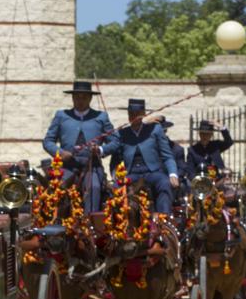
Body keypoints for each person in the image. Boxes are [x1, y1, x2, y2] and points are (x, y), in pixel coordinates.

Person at [42, 81, 116, 213]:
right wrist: (60, 153)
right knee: (55, 189)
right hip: (67, 166)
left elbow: (115, 142)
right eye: (77, 97)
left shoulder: (101, 117)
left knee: (94, 187)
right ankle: (55, 226)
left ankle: (90, 224)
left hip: (91, 166)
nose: (80, 100)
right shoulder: (61, 116)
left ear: (90, 98)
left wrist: (99, 150)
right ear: (72, 98)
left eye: (84, 97)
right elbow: (48, 141)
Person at [106, 98, 179, 214]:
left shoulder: (155, 129)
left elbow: (167, 156)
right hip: (131, 174)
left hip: (153, 173)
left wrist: (173, 173)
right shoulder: (122, 133)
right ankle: (117, 226)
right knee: (114, 188)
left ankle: (163, 219)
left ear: (143, 115)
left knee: (165, 183)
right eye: (131, 114)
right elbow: (113, 155)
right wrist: (115, 174)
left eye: (136, 114)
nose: (133, 116)